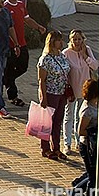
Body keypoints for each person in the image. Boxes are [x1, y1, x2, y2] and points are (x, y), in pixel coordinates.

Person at [2, 0, 46, 107]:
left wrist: (38, 27)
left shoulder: (21, 5)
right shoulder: (5, 8)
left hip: (22, 43)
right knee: (10, 68)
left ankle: (5, 79)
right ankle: (13, 96)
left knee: (23, 67)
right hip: (10, 45)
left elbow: (27, 19)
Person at [36, 30, 71, 160]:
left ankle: (56, 147)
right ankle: (45, 148)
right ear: (52, 42)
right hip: (51, 93)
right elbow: (41, 80)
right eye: (58, 40)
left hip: (62, 93)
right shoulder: (45, 59)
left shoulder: (62, 56)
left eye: (61, 40)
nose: (61, 42)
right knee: (47, 122)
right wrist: (43, 97)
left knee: (58, 121)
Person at [63, 29, 99, 154]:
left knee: (80, 116)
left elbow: (95, 66)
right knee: (69, 116)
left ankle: (79, 142)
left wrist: (85, 56)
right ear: (70, 40)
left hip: (85, 91)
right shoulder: (66, 53)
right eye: (74, 39)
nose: (77, 42)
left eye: (79, 39)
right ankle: (67, 144)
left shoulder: (87, 50)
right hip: (71, 90)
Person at [73, 79, 99, 196]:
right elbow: (81, 131)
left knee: (93, 173)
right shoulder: (88, 109)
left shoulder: (95, 105)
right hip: (88, 146)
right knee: (93, 175)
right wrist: (95, 132)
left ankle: (77, 189)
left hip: (93, 145)